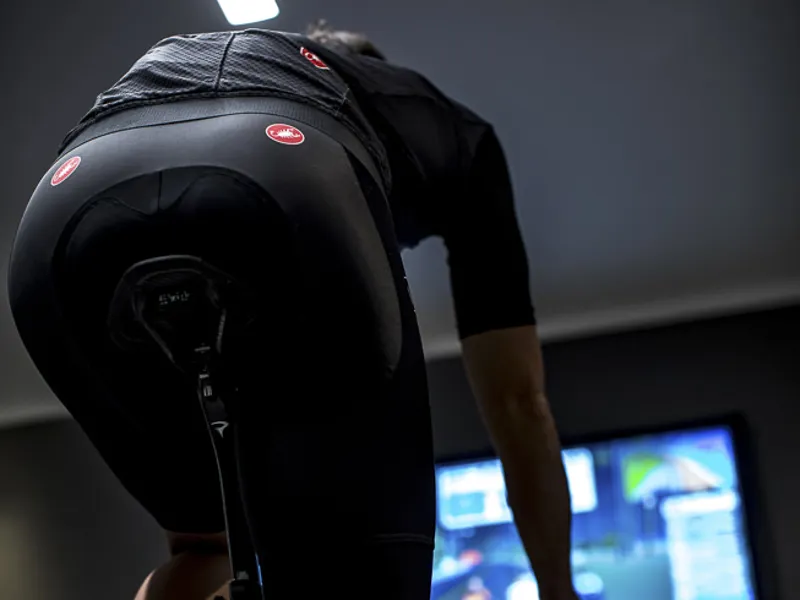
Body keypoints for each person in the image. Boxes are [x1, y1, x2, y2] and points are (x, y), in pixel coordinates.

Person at [7, 20, 578, 600]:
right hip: (284, 159)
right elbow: (518, 403)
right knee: (369, 569)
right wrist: (558, 588)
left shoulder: (252, 65)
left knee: (203, 548)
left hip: (61, 211)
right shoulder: (445, 128)